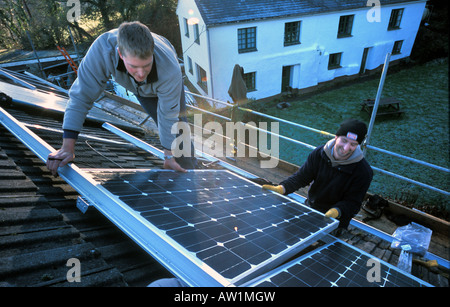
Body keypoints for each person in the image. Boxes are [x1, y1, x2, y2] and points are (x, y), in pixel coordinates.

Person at [46, 21, 196, 175]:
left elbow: (168, 116)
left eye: (146, 66)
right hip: (141, 90)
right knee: (159, 120)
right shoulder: (102, 51)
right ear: (120, 54)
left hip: (163, 81)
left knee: (178, 126)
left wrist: (169, 155)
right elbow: (80, 97)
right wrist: (67, 148)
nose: (141, 74)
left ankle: (190, 170)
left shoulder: (170, 70)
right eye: (134, 66)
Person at [262, 119, 373, 229]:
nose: (346, 148)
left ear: (358, 145)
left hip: (336, 221)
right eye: (344, 140)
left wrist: (337, 211)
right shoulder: (319, 153)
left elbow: (353, 203)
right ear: (336, 137)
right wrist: (282, 188)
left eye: (353, 144)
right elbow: (302, 177)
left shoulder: (363, 172)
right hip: (311, 207)